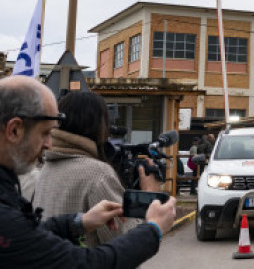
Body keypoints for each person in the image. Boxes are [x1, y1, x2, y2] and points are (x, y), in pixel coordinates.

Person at [0, 76, 176, 267]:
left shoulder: (22, 180)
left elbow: (28, 236)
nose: (49, 144)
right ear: (14, 130)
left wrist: (80, 222)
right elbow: (88, 263)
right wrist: (153, 227)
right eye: (44, 133)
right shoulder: (97, 174)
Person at [33, 90, 160, 246]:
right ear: (99, 126)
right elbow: (125, 243)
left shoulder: (43, 167)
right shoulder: (97, 174)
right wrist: (147, 197)